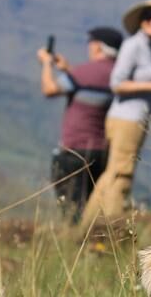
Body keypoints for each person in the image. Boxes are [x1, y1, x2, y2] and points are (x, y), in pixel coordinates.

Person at [81, 0, 151, 228]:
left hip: (136, 117)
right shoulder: (134, 45)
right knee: (122, 173)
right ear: (141, 21)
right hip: (126, 119)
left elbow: (137, 89)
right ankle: (112, 228)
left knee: (112, 173)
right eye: (149, 16)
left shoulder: (149, 49)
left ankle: (87, 228)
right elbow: (117, 83)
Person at [37, 26, 123, 222]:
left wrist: (47, 64)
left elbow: (49, 89)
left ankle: (74, 242)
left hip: (75, 150)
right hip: (103, 152)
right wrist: (67, 68)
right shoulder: (119, 75)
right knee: (92, 206)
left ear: (98, 48)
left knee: (71, 208)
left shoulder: (84, 73)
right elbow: (91, 84)